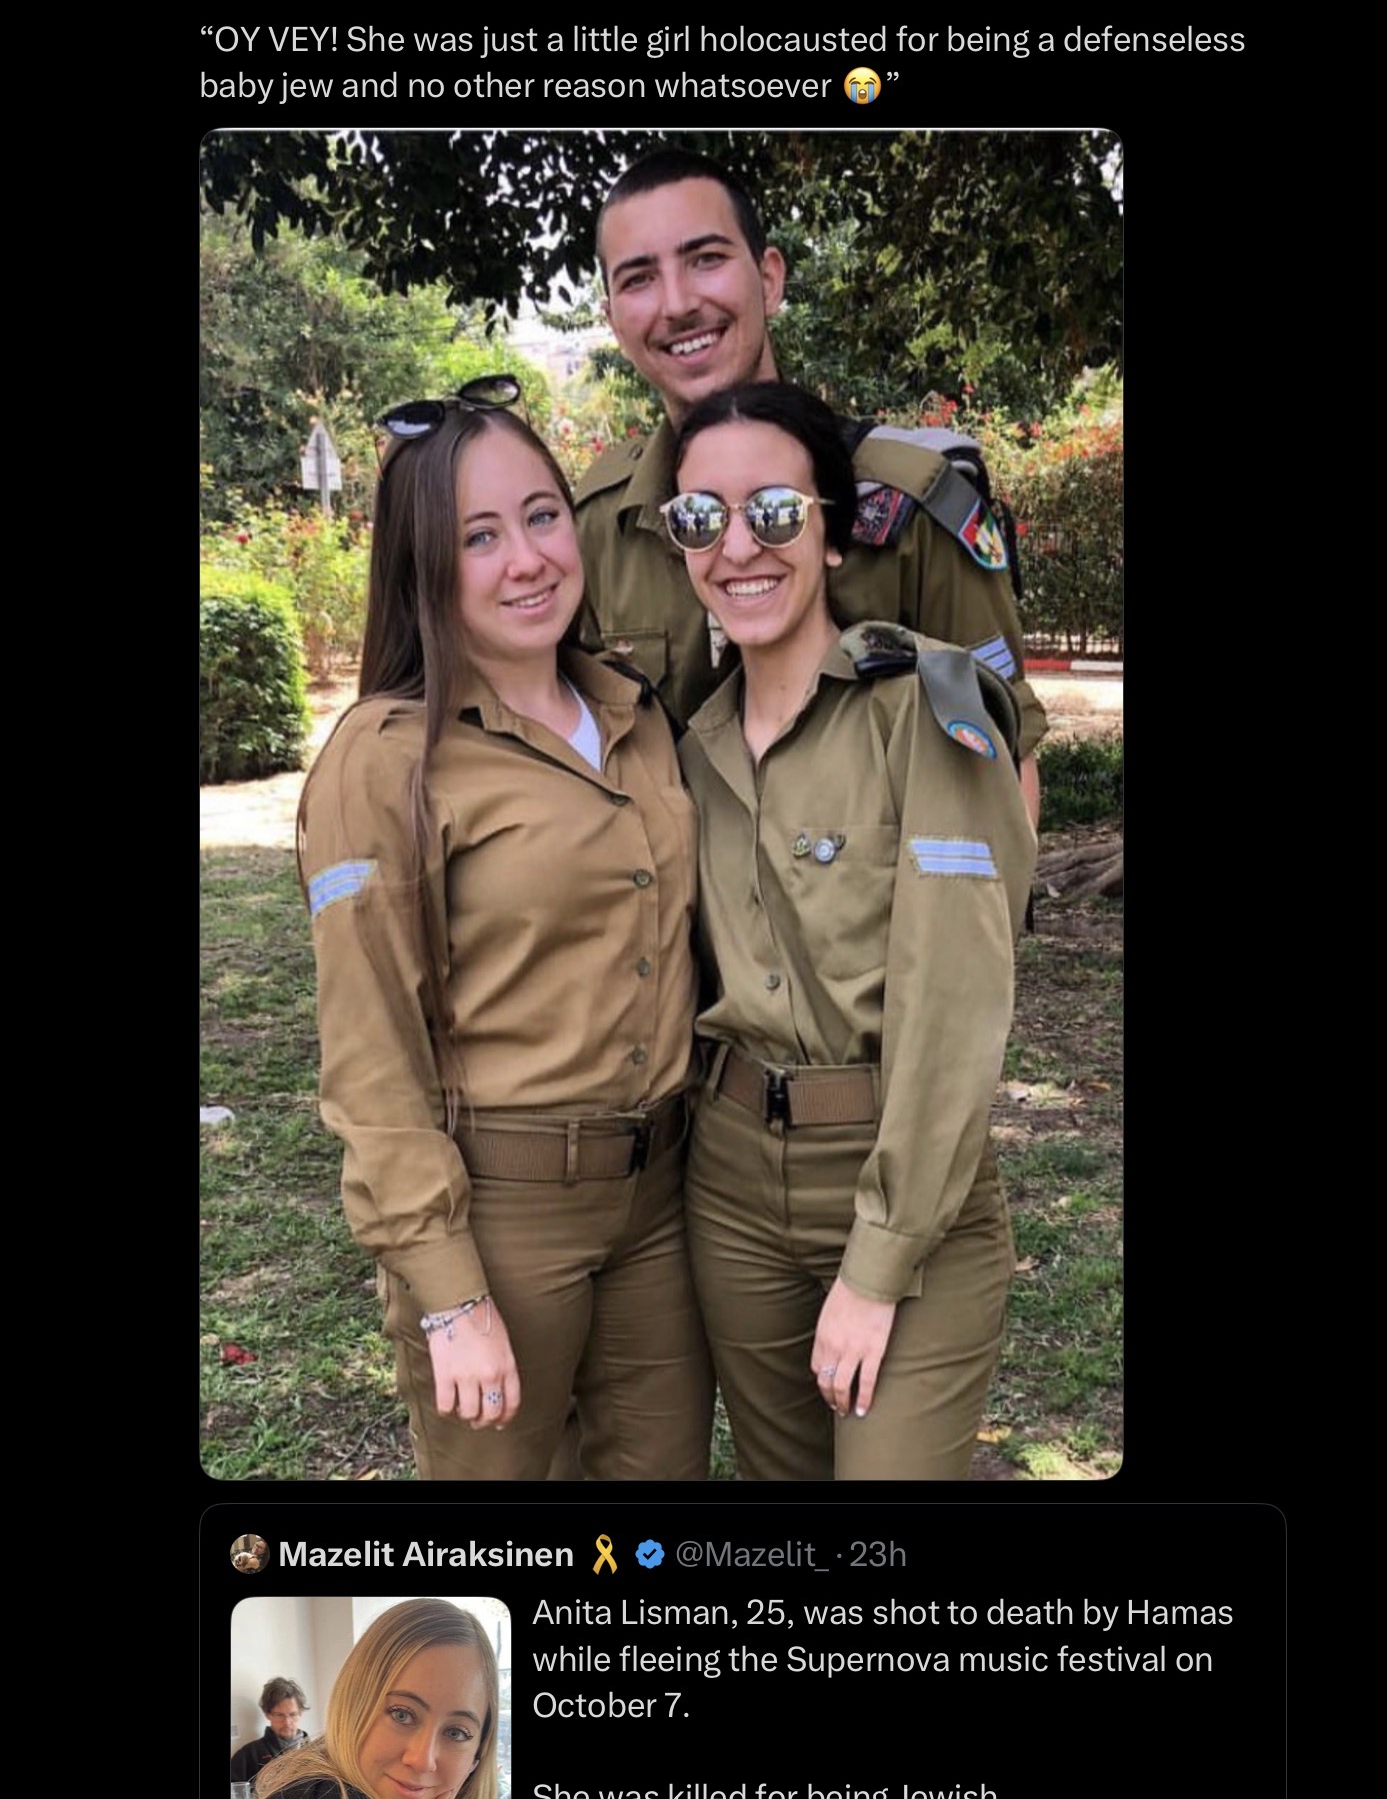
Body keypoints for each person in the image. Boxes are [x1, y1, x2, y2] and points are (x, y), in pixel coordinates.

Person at [297, 380, 711, 1482]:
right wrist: (448, 1291)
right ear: (423, 566)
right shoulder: (385, 758)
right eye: (478, 537)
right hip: (500, 1215)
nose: (526, 559)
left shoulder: (635, 713)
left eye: (539, 515)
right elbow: (369, 1047)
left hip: (661, 1202)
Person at [666, 381, 1036, 1481]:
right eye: (700, 517)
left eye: (775, 511)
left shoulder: (924, 706)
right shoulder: (689, 749)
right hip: (730, 1189)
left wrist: (877, 1265)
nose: (738, 546)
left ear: (831, 533)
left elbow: (955, 1003)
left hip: (903, 1179)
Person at [573, 148, 1046, 823]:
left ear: (768, 279)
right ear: (614, 318)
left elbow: (1000, 764)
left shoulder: (909, 507)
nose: (677, 304)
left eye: (705, 259)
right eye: (640, 278)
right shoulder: (598, 526)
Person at [231, 1600, 502, 1799]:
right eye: (402, 1714)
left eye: (456, 1732)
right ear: (354, 1705)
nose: (422, 1760)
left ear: (477, 1756)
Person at [230, 1677, 310, 1785]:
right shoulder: (247, 1756)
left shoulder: (319, 1752)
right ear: (267, 1714)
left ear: (300, 1713)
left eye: (293, 1714)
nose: (287, 1722)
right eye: (279, 1715)